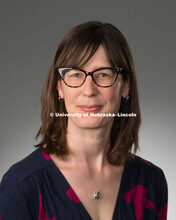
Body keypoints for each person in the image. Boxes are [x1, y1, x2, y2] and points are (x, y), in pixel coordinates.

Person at [0, 21, 168, 220]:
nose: (89, 90)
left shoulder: (151, 181)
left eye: (103, 74)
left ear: (126, 87)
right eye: (75, 74)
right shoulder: (21, 186)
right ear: (60, 88)